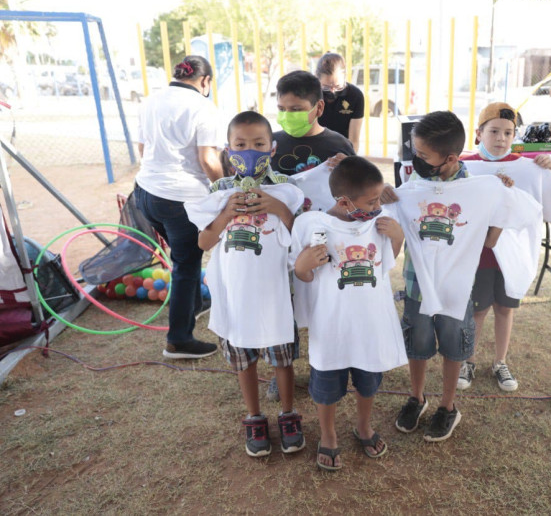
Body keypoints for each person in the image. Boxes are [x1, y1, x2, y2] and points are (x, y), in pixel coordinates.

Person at [383, 111, 541, 442]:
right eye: (416, 151)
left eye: (424, 155)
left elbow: (491, 238)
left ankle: (448, 406)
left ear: (451, 158)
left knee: (455, 347)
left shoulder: (479, 189)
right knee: (418, 342)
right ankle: (417, 398)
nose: (417, 159)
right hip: (416, 283)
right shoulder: (414, 184)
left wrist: (499, 201)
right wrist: (386, 198)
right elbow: (396, 218)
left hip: (458, 287)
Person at [184, 111, 307, 457]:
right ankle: (254, 416)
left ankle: (287, 413)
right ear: (228, 149)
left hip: (274, 294)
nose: (249, 151)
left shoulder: (286, 186)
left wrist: (278, 207)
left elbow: (299, 235)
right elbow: (204, 244)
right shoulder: (219, 189)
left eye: (258, 144)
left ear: (272, 147)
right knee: (244, 358)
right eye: (240, 145)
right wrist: (225, 214)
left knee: (282, 358)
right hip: (234, 295)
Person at [290, 156, 407, 471]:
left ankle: (363, 426)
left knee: (369, 381)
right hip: (332, 328)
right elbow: (302, 277)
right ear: (344, 201)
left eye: (379, 198)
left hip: (371, 325)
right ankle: (328, 434)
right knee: (326, 387)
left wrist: (397, 237)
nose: (377, 206)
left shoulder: (378, 223)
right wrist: (302, 265)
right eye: (371, 201)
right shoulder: (311, 226)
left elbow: (384, 266)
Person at [458, 103, 551, 392]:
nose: (500, 138)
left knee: (505, 308)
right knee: (478, 309)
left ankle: (500, 361)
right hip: (480, 253)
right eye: (494, 131)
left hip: (515, 254)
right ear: (478, 133)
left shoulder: (530, 167)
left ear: (515, 135)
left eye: (508, 132)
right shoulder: (465, 167)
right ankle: (468, 360)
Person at [134, 55, 222, 360]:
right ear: (205, 81)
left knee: (184, 257)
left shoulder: (151, 101)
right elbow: (209, 159)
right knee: (186, 265)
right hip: (180, 198)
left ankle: (193, 305)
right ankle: (179, 340)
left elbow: (143, 150)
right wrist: (226, 190)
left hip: (145, 194)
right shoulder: (202, 106)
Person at [273, 70, 355, 176]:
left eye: (296, 109)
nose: (287, 116)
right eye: (282, 109)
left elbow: (358, 187)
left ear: (319, 108)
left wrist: (352, 171)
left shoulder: (340, 146)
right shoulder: (269, 144)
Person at [316, 52, 364, 153]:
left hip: (342, 148)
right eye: (326, 87)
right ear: (317, 79)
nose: (332, 91)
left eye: (338, 86)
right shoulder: (311, 94)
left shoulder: (355, 95)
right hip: (315, 147)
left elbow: (354, 140)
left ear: (345, 77)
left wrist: (350, 160)